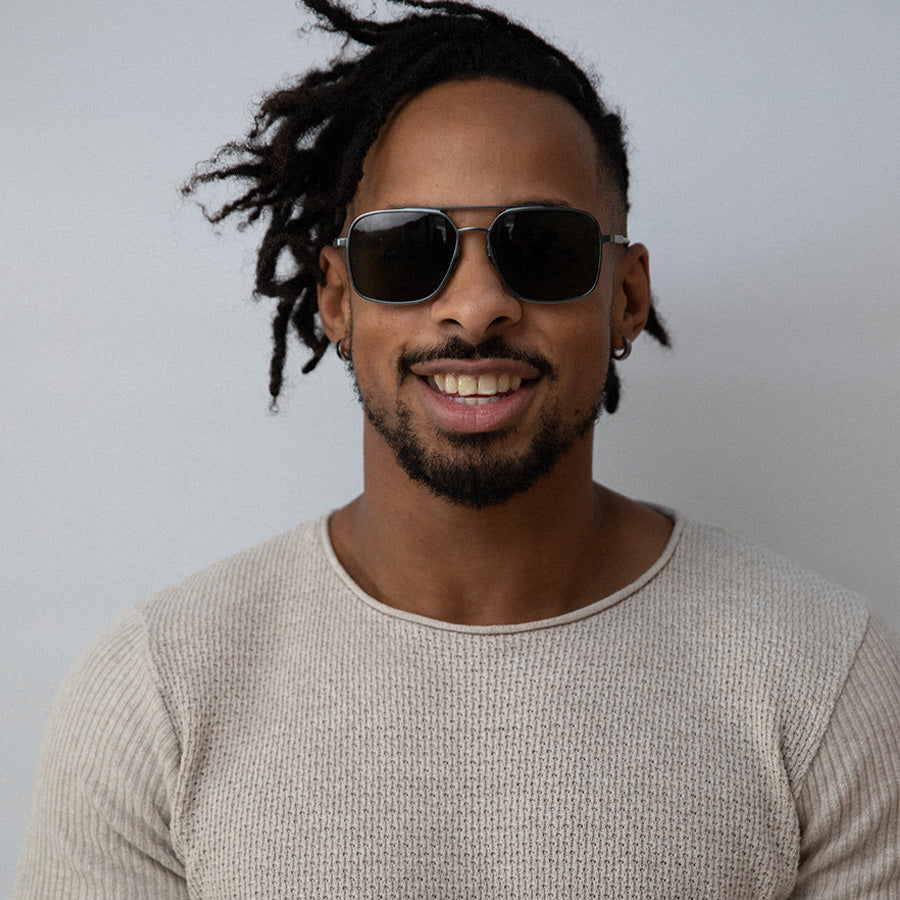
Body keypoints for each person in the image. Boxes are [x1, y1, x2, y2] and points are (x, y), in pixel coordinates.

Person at [14, 1, 900, 897]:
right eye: (410, 252)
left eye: (541, 249)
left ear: (625, 296)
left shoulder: (826, 679)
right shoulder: (156, 695)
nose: (476, 308)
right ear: (336, 300)